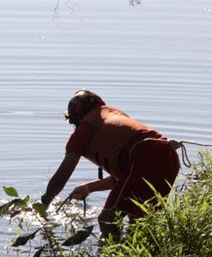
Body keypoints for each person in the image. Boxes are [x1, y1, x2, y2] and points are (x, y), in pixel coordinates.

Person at [41, 89, 180, 243]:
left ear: (77, 117)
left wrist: (46, 202)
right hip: (168, 157)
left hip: (144, 155)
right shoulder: (113, 117)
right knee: (139, 222)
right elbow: (128, 176)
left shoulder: (85, 128)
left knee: (107, 220)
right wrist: (89, 187)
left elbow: (62, 175)